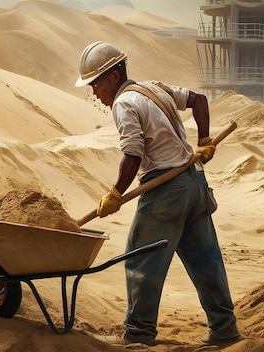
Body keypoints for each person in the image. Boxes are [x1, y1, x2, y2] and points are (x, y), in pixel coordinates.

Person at [74, 41, 241, 347]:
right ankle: (224, 328)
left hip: (165, 192)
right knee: (205, 259)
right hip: (194, 186)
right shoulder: (154, 88)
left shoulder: (125, 103)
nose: (95, 93)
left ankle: (138, 334)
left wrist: (115, 193)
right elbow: (199, 100)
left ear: (112, 76)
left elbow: (133, 154)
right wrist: (203, 138)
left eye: (95, 84)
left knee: (142, 263)